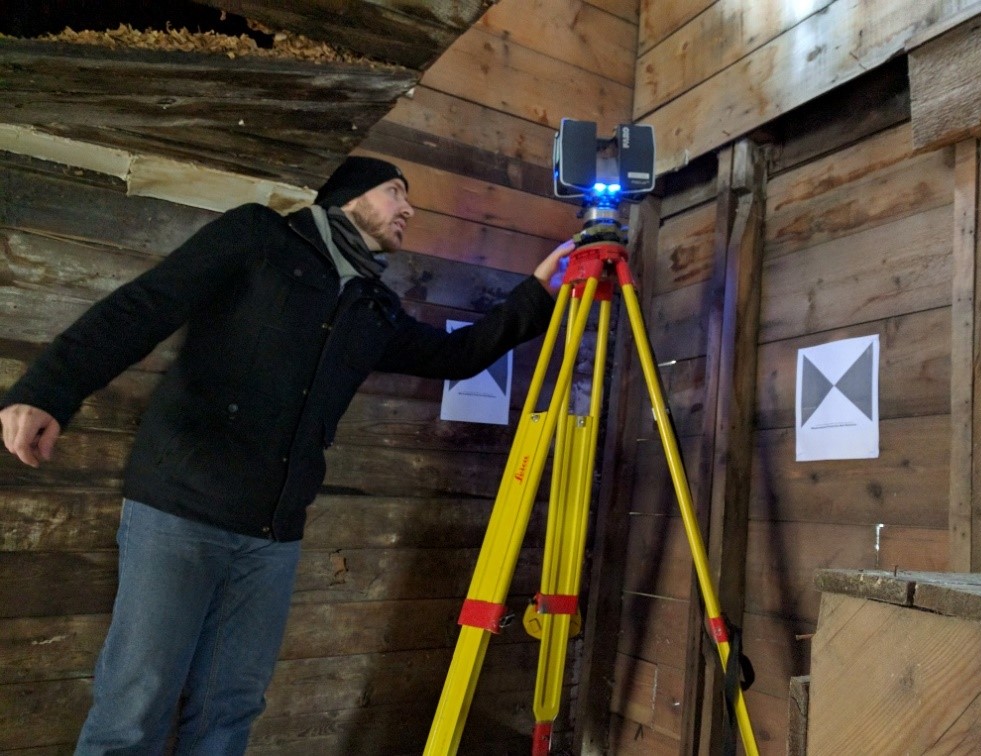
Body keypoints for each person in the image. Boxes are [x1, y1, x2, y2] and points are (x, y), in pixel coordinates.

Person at [0, 156, 573, 754]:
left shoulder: (371, 306)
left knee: (230, 712)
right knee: (134, 707)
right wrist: (48, 391)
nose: (408, 210)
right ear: (351, 195)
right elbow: (143, 307)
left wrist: (537, 291)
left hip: (272, 536)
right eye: (396, 193)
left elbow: (456, 356)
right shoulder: (257, 236)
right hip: (180, 508)